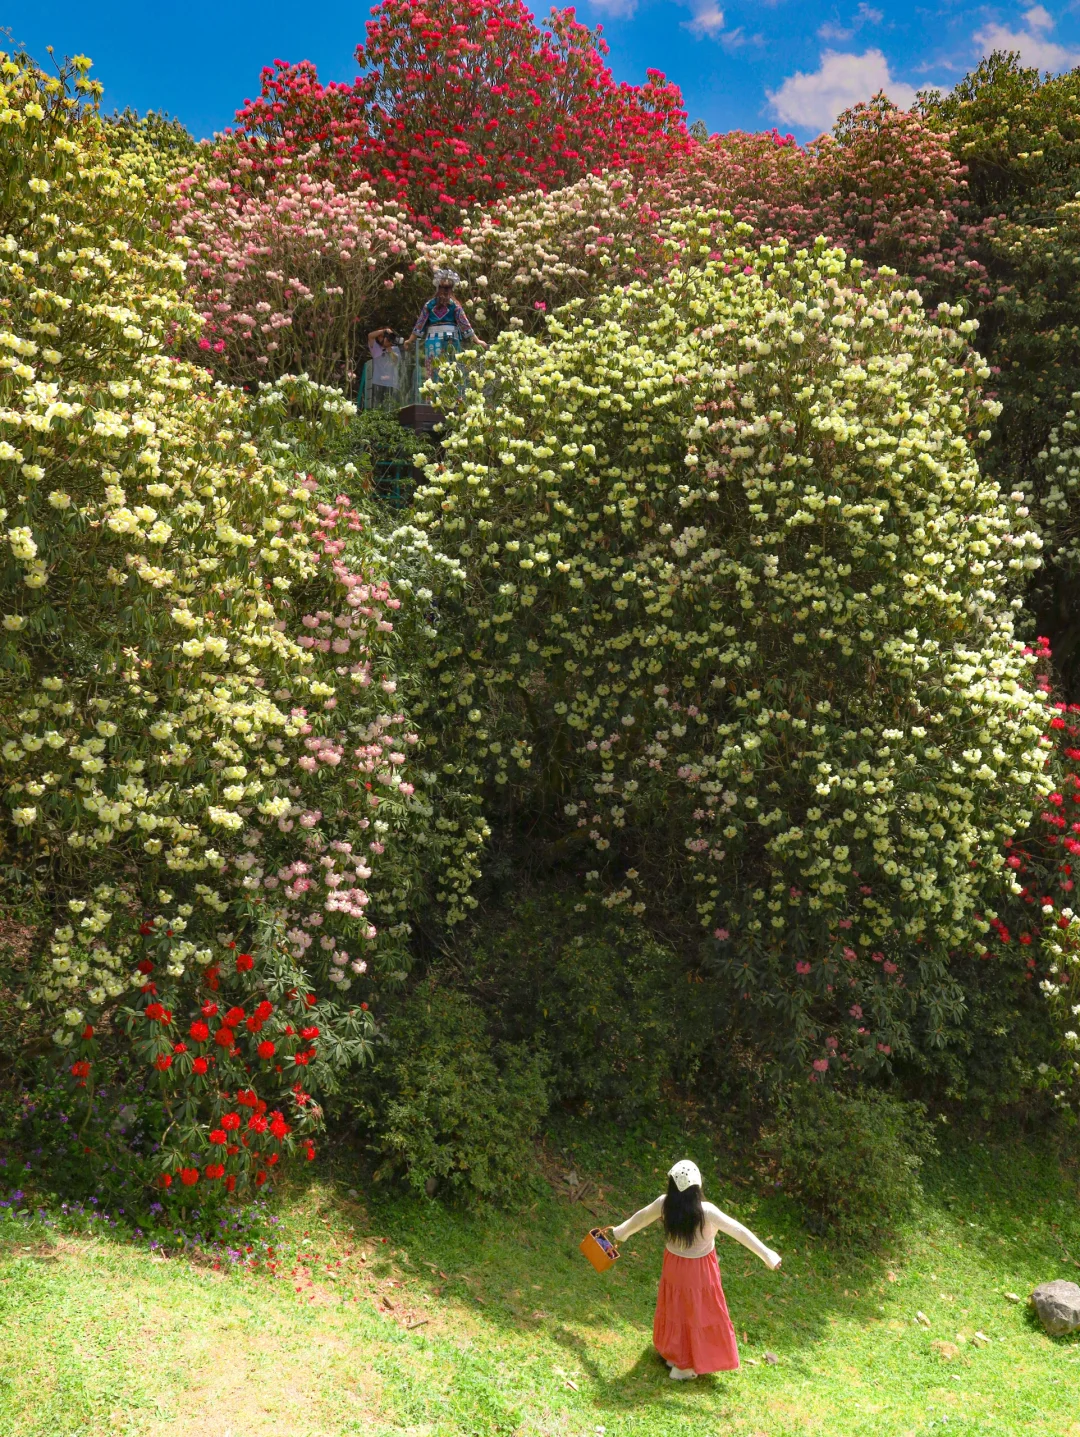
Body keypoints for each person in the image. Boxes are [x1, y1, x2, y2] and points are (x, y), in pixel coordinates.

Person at [607, 1158, 781, 1381]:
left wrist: (621, 1232)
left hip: (673, 1266)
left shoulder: (665, 1204)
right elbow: (739, 1231)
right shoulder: (707, 1211)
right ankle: (684, 1366)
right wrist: (768, 1255)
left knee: (676, 1308)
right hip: (699, 1271)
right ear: (697, 1186)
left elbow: (640, 1217)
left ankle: (674, 1354)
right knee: (697, 1313)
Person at [410, 268, 487, 367]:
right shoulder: (432, 305)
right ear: (439, 288)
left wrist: (477, 340)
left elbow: (465, 324)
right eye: (443, 287)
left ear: (451, 289)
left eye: (448, 288)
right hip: (438, 341)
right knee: (441, 369)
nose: (445, 291)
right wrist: (410, 340)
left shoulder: (453, 305)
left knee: (449, 368)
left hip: (448, 341)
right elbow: (420, 325)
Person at [366, 326, 402, 408]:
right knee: (378, 407)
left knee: (392, 407)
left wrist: (390, 349)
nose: (387, 340)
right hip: (378, 383)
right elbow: (370, 336)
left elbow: (396, 361)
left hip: (392, 384)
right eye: (383, 337)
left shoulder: (395, 349)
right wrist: (384, 331)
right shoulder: (375, 348)